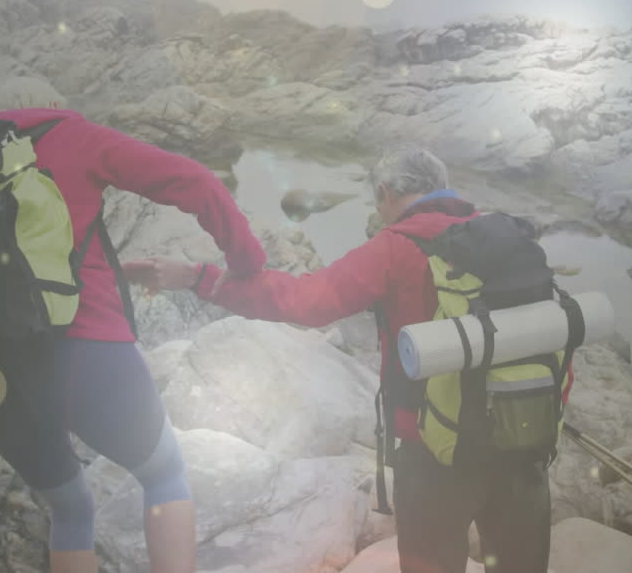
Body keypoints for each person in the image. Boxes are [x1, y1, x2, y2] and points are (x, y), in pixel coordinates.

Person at [124, 145, 567, 573]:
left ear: (385, 194)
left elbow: (304, 302)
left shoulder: (396, 245)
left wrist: (200, 277)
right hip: (523, 435)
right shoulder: (507, 236)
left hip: (434, 451)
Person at [0, 79, 267, 573]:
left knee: (71, 507)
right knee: (165, 475)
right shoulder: (75, 134)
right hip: (85, 356)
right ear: (55, 106)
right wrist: (247, 260)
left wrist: (118, 269)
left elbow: (12, 269)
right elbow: (196, 182)